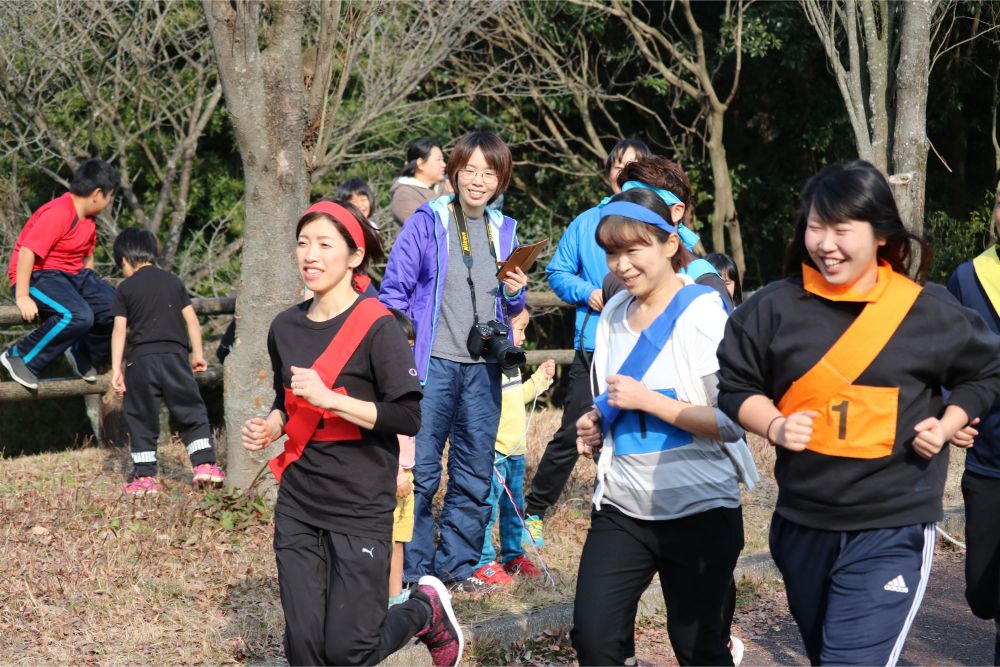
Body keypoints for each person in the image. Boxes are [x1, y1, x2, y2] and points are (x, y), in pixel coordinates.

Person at [716, 160, 1000, 666]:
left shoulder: (927, 310)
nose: (826, 244)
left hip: (893, 526)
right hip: (802, 524)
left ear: (881, 234)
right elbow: (736, 387)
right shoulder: (773, 308)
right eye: (816, 227)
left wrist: (949, 422)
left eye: (842, 229)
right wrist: (775, 424)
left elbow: (987, 371)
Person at [241, 200, 463, 666]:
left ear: (355, 256)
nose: (310, 255)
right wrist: (273, 426)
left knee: (349, 652)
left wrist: (332, 399)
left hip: (360, 502)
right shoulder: (285, 326)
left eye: (325, 244)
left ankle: (424, 610)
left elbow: (407, 417)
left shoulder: (378, 326)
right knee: (304, 650)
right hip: (300, 500)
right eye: (303, 243)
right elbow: (287, 399)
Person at [571, 184, 756, 666]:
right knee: (594, 640)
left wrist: (649, 402)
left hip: (699, 510)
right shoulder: (613, 314)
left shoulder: (703, 313)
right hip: (622, 508)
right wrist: (597, 421)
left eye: (634, 250)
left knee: (697, 649)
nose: (621, 265)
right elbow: (618, 398)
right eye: (612, 253)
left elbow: (731, 421)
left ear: (670, 244)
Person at [380, 130, 528, 591]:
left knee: (474, 473)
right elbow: (394, 292)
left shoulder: (505, 230)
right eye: (471, 170)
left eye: (490, 173)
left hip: (484, 369)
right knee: (421, 472)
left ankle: (458, 569)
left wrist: (515, 295)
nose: (479, 181)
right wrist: (399, 355)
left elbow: (512, 308)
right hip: (432, 366)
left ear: (501, 179)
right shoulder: (428, 221)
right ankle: (414, 572)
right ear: (455, 172)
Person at [523, 138, 651, 546]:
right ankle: (534, 511)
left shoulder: (658, 223)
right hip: (594, 343)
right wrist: (587, 292)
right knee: (572, 430)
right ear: (608, 172)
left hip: (645, 344)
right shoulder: (585, 223)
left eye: (635, 164)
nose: (625, 171)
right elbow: (558, 272)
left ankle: (626, 512)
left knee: (637, 429)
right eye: (619, 164)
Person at [109, 229, 223, 494]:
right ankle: (205, 465)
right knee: (190, 409)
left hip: (140, 362)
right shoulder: (173, 282)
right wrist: (198, 354)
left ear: (124, 259)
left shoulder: (125, 288)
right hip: (175, 358)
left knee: (141, 417)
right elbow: (192, 320)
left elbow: (119, 331)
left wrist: (116, 369)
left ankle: (144, 478)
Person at [2, 158, 120, 390]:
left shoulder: (89, 220)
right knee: (78, 315)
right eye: (110, 197)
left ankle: (81, 351)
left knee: (117, 307)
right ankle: (19, 356)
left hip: (72, 277)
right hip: (38, 275)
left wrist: (94, 292)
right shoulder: (59, 212)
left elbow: (86, 258)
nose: (109, 203)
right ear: (97, 194)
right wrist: (23, 296)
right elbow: (27, 251)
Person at [946, 187, 1000, 665]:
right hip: (989, 463)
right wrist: (950, 409)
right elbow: (942, 358)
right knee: (984, 594)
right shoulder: (968, 277)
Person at [473, 306, 555, 586]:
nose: (523, 337)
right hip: (496, 452)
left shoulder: (512, 365)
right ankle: (483, 560)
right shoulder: (489, 368)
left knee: (514, 508)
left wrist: (539, 380)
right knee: (488, 508)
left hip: (516, 452)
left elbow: (518, 397)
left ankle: (513, 554)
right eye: (520, 330)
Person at [388, 307, 417, 608]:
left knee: (398, 540)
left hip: (407, 475)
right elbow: (386, 437)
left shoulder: (406, 382)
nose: (407, 354)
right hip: (391, 476)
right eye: (402, 347)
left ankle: (394, 595)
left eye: (410, 348)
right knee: (385, 539)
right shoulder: (385, 389)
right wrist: (397, 474)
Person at [390, 138, 446, 226]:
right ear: (421, 164)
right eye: (438, 160)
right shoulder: (404, 195)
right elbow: (425, 227)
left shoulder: (446, 187)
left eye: (442, 160)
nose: (444, 164)